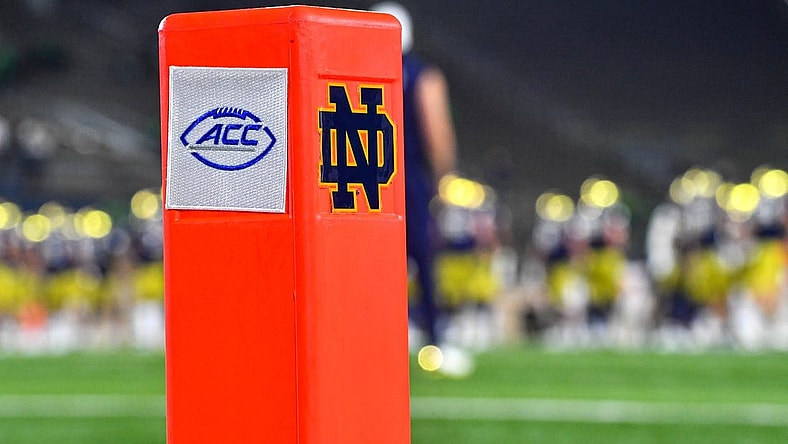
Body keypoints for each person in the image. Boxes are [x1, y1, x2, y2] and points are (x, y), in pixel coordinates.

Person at [371, 2, 458, 350]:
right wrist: (443, 176)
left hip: (368, 181)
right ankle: (432, 332)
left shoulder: (355, 72)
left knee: (374, 259)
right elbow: (436, 131)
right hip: (409, 177)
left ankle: (379, 328)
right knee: (422, 254)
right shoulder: (422, 75)